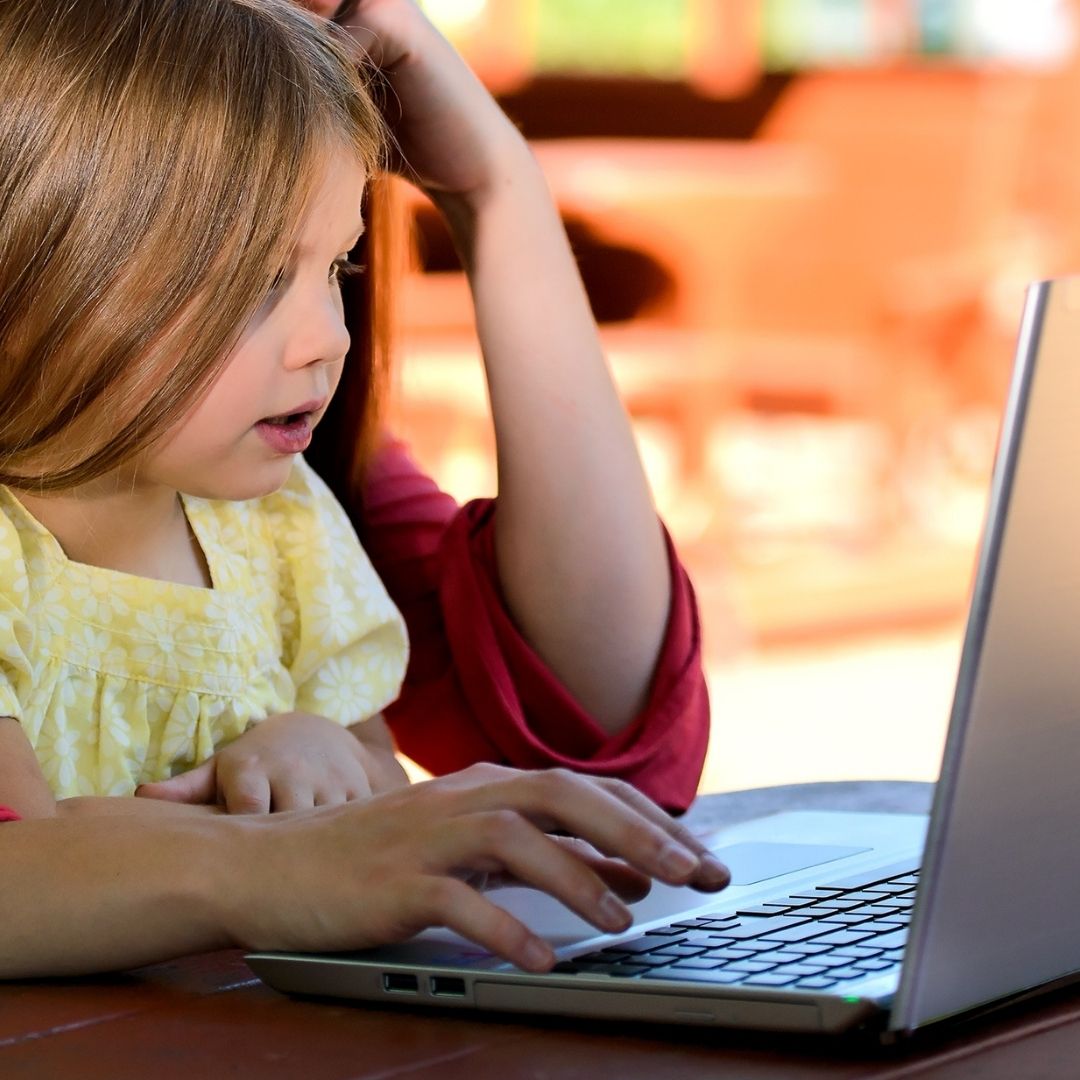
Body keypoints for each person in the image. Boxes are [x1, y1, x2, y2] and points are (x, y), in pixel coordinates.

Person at [0, 0, 726, 978]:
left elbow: (574, 738)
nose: (329, 338)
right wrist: (264, 863)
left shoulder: (279, 516)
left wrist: (318, 749)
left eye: (337, 267)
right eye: (254, 278)